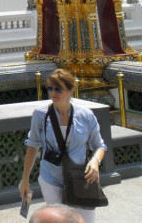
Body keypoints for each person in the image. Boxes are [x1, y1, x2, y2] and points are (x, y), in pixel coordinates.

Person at [19, 69, 106, 223]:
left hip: (79, 178)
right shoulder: (41, 114)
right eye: (50, 88)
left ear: (71, 90)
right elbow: (32, 146)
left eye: (58, 89)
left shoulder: (85, 115)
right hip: (51, 177)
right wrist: (25, 179)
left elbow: (99, 146)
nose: (53, 93)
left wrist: (95, 161)